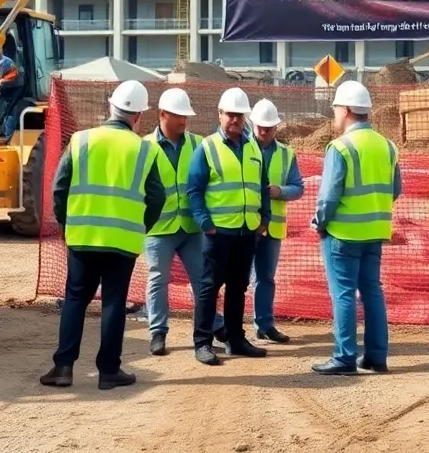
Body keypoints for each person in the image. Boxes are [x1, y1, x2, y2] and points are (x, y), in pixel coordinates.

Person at [40, 80, 166, 390]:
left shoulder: (81, 140)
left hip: (83, 237)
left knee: (75, 300)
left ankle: (63, 368)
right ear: (138, 116)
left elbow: (60, 187)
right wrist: (141, 226)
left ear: (111, 107)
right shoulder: (144, 149)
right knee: (113, 302)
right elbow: (157, 197)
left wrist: (67, 223)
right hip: (122, 242)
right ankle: (109, 371)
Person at [310, 79, 401, 375]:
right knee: (372, 291)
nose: (334, 114)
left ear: (347, 110)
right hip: (374, 231)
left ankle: (345, 356)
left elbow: (328, 196)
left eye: (336, 108)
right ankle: (376, 356)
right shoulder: (387, 146)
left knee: (344, 294)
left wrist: (320, 223)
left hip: (342, 234)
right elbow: (395, 187)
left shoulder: (341, 147)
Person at [186, 86, 270, 365]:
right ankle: (202, 342)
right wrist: (205, 223)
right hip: (218, 233)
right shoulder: (207, 147)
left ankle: (235, 339)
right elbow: (194, 189)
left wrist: (264, 218)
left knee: (238, 287)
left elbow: (261, 184)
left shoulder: (253, 146)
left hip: (246, 232)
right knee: (210, 288)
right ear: (220, 114)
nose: (235, 119)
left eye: (239, 115)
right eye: (230, 115)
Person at [210, 97, 304, 343]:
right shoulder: (241, 147)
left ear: (276, 127)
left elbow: (298, 187)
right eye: (260, 127)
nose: (264, 131)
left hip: (271, 228)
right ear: (252, 124)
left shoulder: (286, 154)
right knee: (234, 279)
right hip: (244, 226)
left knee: (265, 278)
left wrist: (280, 191)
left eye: (269, 127)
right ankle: (226, 326)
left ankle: (264, 324)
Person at [143, 87, 205, 356]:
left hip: (192, 227)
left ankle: (210, 327)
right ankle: (158, 332)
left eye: (186, 117)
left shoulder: (198, 144)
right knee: (158, 279)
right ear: (163, 115)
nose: (183, 121)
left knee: (203, 281)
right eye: (178, 116)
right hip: (160, 228)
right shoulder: (145, 147)